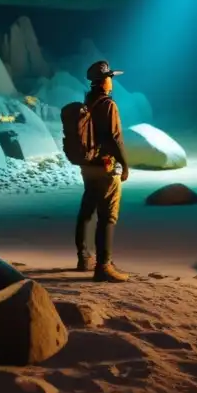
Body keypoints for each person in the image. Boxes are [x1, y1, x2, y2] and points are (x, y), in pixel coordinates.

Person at [75, 60, 131, 282]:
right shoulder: (108, 105)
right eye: (110, 77)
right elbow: (114, 139)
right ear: (103, 81)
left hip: (88, 166)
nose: (112, 80)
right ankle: (103, 267)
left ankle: (83, 257)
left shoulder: (88, 102)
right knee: (108, 216)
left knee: (87, 210)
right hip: (106, 167)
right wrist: (125, 165)